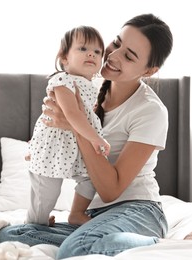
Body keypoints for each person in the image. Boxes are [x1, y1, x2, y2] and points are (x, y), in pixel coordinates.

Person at [0, 13, 192, 259]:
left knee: (76, 249)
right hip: (92, 217)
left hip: (136, 210)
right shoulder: (87, 85)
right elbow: (63, 142)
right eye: (116, 43)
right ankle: (102, 240)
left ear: (149, 70)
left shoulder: (151, 111)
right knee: (9, 234)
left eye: (129, 55)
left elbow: (110, 190)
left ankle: (176, 244)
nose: (112, 55)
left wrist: (75, 126)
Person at [27, 25, 111, 227]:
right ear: (64, 58)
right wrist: (96, 138)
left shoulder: (92, 87)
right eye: (82, 49)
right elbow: (73, 115)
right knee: (46, 193)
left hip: (75, 148)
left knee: (92, 178)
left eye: (97, 51)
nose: (91, 53)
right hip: (54, 149)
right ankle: (35, 223)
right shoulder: (63, 80)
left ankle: (76, 212)